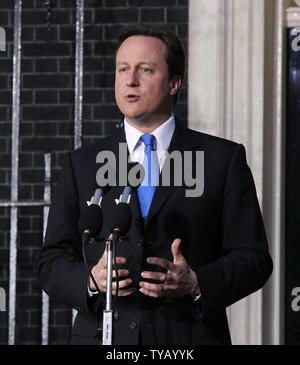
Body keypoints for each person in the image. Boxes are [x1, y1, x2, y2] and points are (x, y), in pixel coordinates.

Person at [35, 23, 273, 345]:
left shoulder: (221, 159)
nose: (130, 80)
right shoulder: (83, 163)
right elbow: (51, 260)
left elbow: (253, 258)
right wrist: (92, 280)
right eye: (123, 69)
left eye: (145, 69)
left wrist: (196, 282)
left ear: (174, 82)